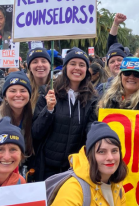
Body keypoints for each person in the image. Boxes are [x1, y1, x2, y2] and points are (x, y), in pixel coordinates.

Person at [32, 47, 98, 181]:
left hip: (75, 170)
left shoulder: (93, 98)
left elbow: (90, 130)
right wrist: (49, 110)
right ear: (65, 67)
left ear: (87, 70)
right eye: (73, 63)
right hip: (47, 168)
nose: (77, 68)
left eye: (82, 65)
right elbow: (36, 132)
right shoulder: (48, 92)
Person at [50, 122, 128, 206]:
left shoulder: (118, 187)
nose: (110, 157)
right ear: (89, 156)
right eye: (101, 152)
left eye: (114, 151)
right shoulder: (73, 189)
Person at [0, 71, 34, 158]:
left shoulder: (34, 117)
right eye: (13, 91)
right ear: (5, 97)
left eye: (23, 90)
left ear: (29, 95)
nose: (18, 95)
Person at [0, 117, 26, 186]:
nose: (7, 157)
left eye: (13, 149)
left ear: (21, 155)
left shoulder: (20, 182)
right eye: (0, 149)